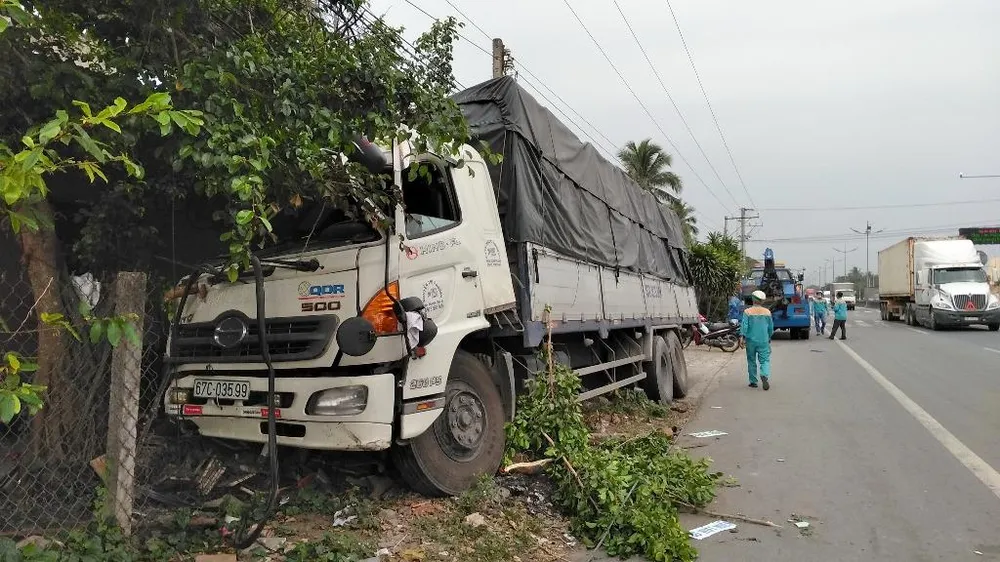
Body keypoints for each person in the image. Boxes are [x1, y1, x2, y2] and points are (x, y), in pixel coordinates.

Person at [739, 290, 774, 390]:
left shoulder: (747, 312)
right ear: (762, 301)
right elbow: (770, 328)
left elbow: (744, 326)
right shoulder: (767, 312)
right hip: (763, 340)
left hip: (750, 341)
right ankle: (764, 374)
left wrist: (742, 337)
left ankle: (753, 381)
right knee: (765, 360)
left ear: (753, 299)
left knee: (751, 360)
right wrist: (769, 337)